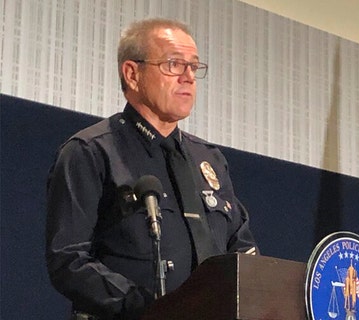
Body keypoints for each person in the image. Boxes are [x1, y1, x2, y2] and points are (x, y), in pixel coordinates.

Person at [45, 18, 258, 319]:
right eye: (173, 64)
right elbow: (68, 260)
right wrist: (150, 309)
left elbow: (243, 252)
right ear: (132, 74)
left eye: (194, 67)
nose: (188, 77)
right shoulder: (91, 151)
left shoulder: (209, 160)